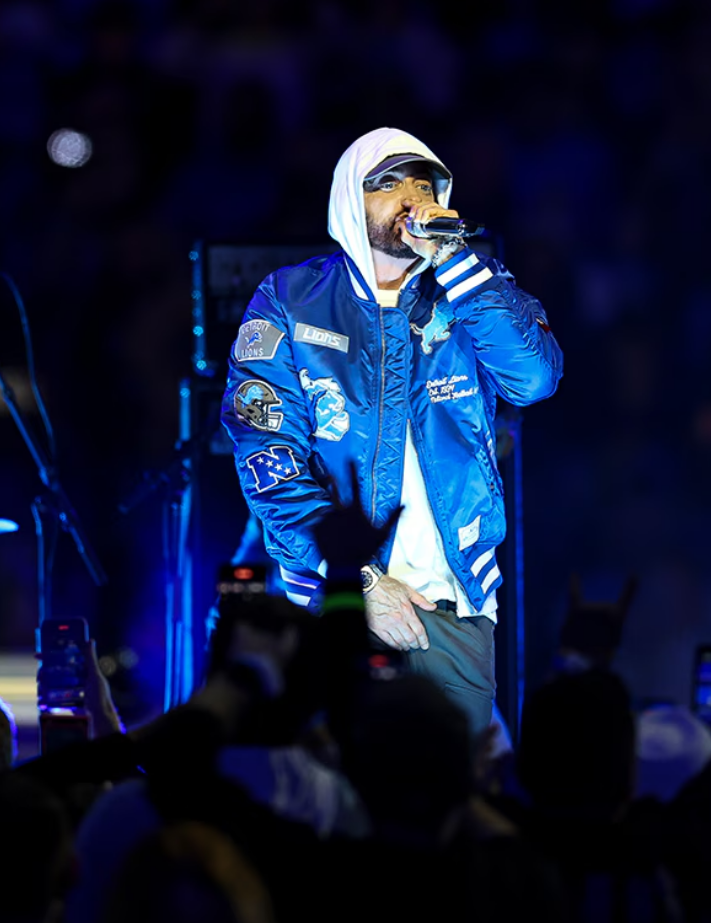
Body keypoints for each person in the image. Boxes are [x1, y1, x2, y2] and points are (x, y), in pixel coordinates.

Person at [220, 127, 563, 738]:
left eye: (423, 184)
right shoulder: (290, 299)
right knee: (328, 786)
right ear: (350, 199)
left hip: (451, 607)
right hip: (327, 600)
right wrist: (360, 582)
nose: (411, 197)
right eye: (388, 184)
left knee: (446, 787)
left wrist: (455, 260)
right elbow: (267, 457)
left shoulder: (474, 287)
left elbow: (533, 378)